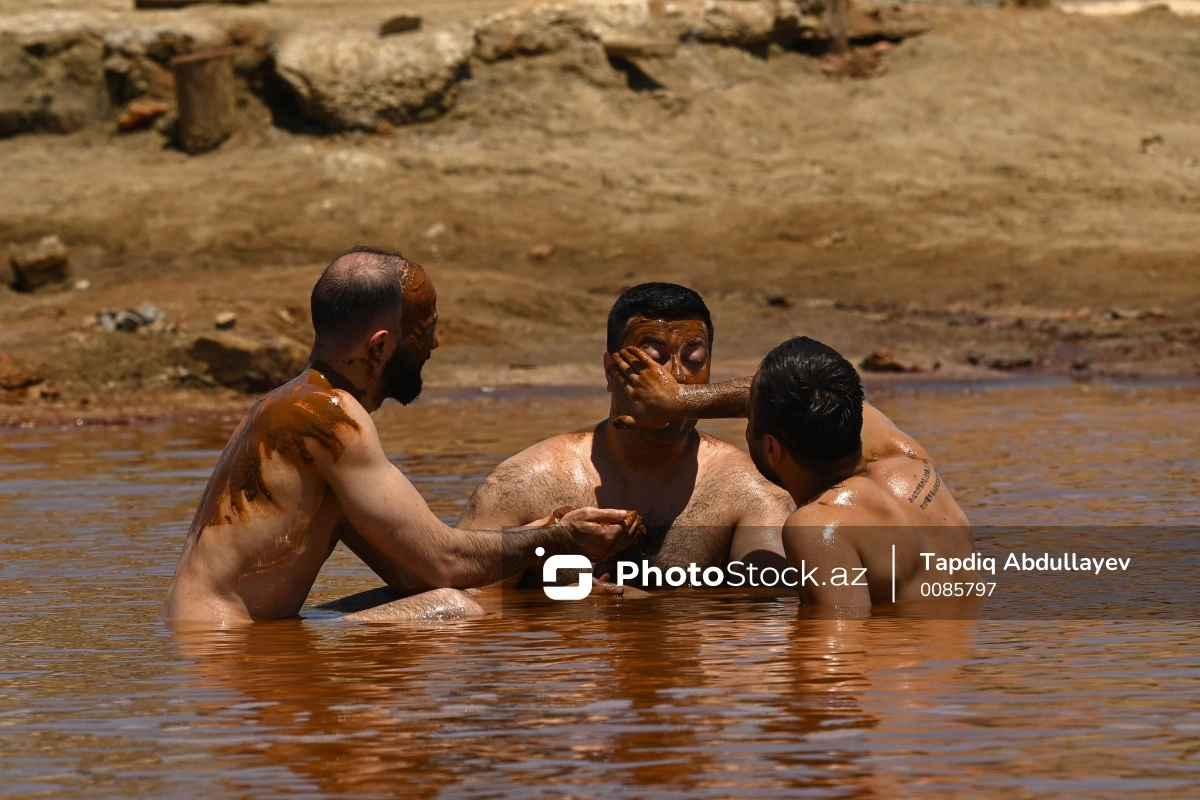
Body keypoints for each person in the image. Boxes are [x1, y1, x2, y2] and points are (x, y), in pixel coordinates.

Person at [162, 246, 643, 627]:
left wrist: (543, 545)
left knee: (452, 601)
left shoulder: (291, 403)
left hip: (217, 645)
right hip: (230, 652)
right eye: (426, 329)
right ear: (381, 346)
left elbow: (410, 572)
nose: (435, 343)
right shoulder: (330, 418)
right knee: (457, 610)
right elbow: (444, 562)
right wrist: (559, 539)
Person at [457, 283, 795, 591]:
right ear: (609, 371)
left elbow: (772, 622)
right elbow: (464, 610)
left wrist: (644, 612)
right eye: (653, 360)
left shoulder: (749, 491)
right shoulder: (521, 484)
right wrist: (553, 606)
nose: (674, 378)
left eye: (694, 361)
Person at [610, 336, 972, 609]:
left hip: (895, 697)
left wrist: (649, 604)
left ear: (771, 449)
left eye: (750, 424)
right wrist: (677, 401)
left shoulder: (820, 526)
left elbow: (830, 674)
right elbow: (804, 393)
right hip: (947, 691)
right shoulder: (907, 458)